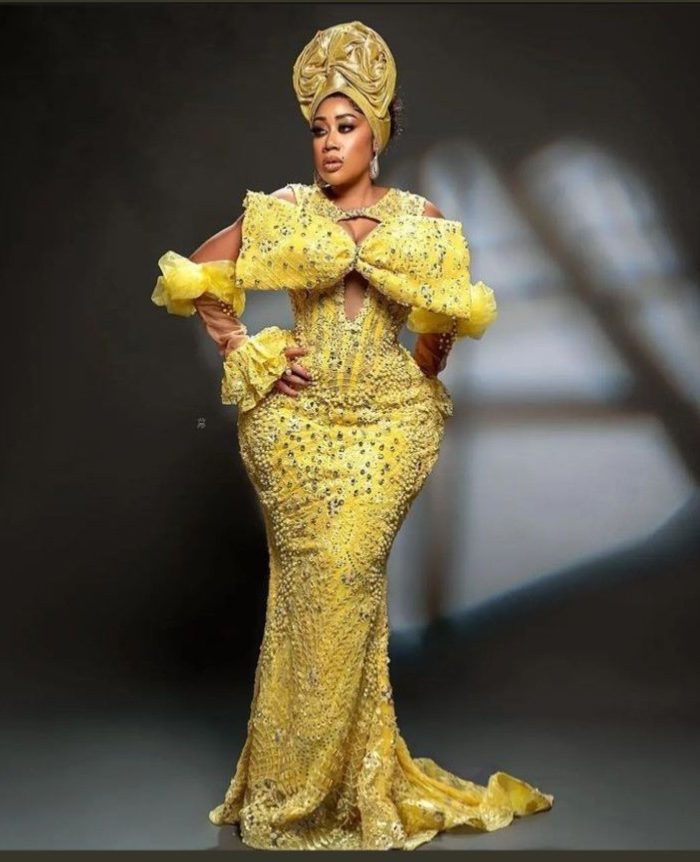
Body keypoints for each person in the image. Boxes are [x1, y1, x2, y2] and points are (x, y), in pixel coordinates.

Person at [150, 19, 554, 852]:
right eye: (318, 129)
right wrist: (245, 349)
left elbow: (442, 324)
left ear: (378, 133)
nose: (329, 143)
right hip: (294, 429)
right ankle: (307, 787)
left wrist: (426, 361)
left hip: (386, 427)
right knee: (311, 594)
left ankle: (321, 787)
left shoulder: (420, 219)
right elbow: (196, 275)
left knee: (348, 577)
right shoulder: (287, 210)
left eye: (345, 126)